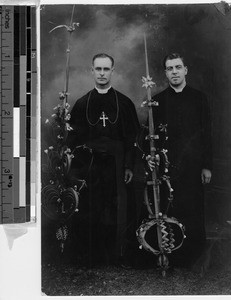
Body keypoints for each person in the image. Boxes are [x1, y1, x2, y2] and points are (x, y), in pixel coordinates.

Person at [67, 53, 140, 268]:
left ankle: (117, 255)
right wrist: (78, 169)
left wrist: (128, 165)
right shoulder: (82, 103)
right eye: (98, 69)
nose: (101, 73)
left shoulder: (124, 103)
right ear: (92, 71)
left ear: (112, 71)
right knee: (92, 208)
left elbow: (132, 138)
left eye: (106, 69)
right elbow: (73, 139)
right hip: (90, 168)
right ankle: (93, 256)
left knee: (116, 209)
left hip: (116, 166)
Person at [146, 53, 212, 268]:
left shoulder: (199, 98)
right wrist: (152, 157)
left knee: (193, 208)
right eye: (169, 68)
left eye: (177, 67)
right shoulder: (158, 101)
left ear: (186, 69)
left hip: (194, 165)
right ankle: (173, 255)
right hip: (168, 165)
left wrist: (206, 166)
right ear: (165, 73)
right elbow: (150, 136)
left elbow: (207, 134)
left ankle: (195, 256)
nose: (174, 72)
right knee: (170, 206)